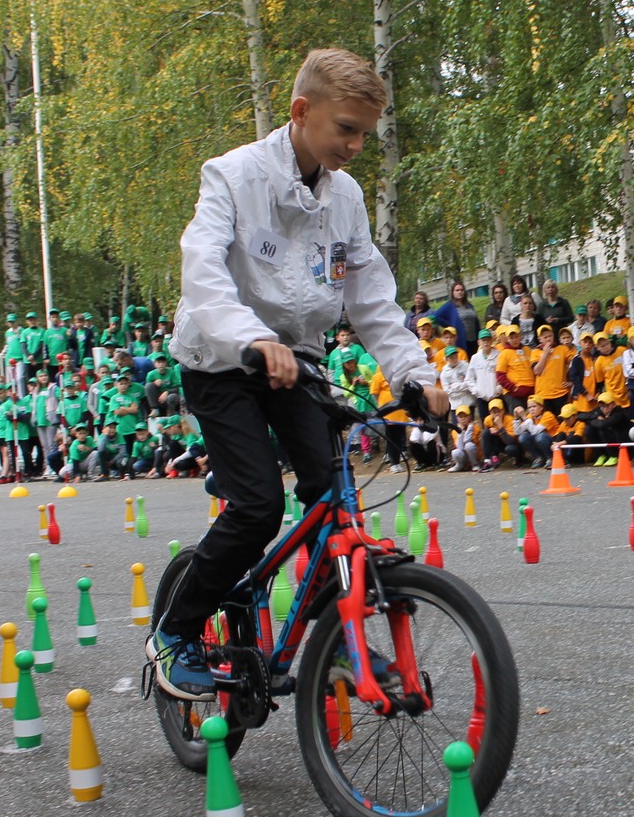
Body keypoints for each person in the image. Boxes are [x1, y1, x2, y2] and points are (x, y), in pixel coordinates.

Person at [150, 48, 445, 701]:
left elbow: (371, 299)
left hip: (298, 362)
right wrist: (251, 336)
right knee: (256, 506)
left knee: (331, 495)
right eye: (346, 128)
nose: (357, 145)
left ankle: (333, 638)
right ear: (301, 112)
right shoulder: (232, 175)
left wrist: (414, 376)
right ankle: (174, 632)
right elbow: (202, 272)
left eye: (366, 132)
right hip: (223, 358)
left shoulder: (347, 197)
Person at [433, 280, 478, 355]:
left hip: (473, 339)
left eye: (461, 290)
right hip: (461, 340)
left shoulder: (469, 305)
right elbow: (437, 316)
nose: (460, 292)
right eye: (457, 290)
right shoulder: (450, 306)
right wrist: (450, 324)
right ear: (453, 293)